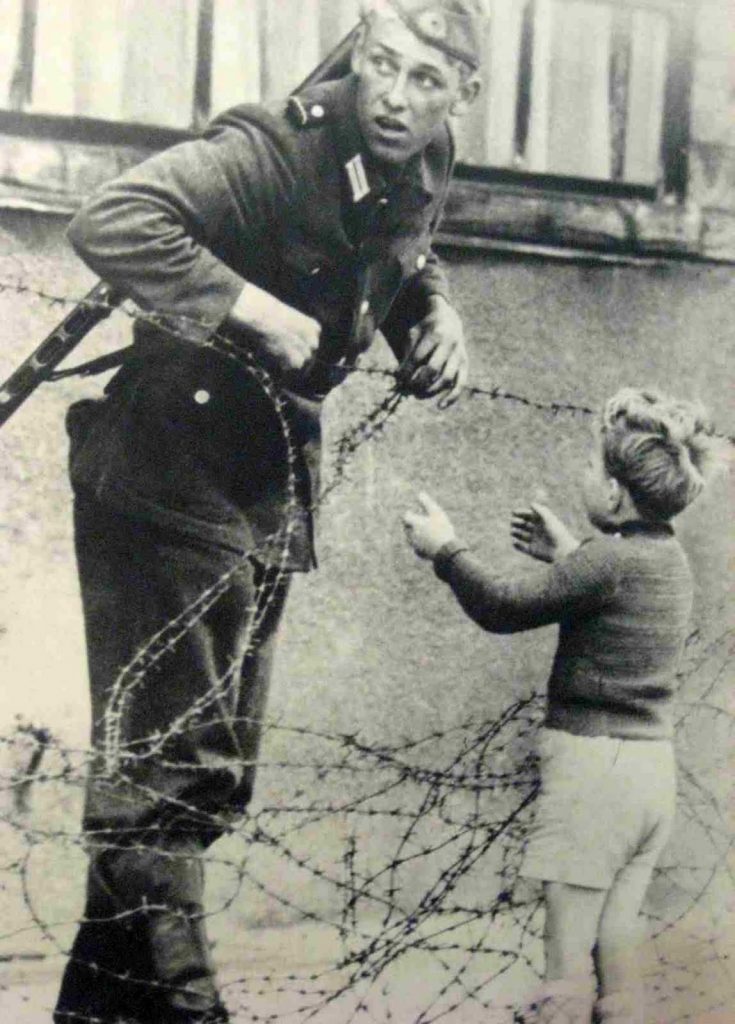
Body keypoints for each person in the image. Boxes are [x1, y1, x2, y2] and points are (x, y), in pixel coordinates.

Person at [53, 3, 484, 1022]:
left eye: (426, 80)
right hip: (169, 475)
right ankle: (196, 1009)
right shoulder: (276, 144)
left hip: (265, 487)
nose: (393, 94)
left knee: (201, 778)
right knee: (168, 775)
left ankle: (94, 1011)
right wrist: (252, 307)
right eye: (382, 64)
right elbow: (110, 219)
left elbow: (409, 250)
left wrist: (435, 314)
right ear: (360, 54)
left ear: (462, 95)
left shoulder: (426, 159)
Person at [403, 388, 725, 1024]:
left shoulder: (605, 561)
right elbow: (615, 593)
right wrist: (571, 556)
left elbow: (502, 607)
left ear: (613, 494)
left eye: (590, 468)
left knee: (565, 957)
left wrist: (446, 550)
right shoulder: (669, 561)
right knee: (618, 935)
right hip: (649, 773)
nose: (582, 474)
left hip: (592, 774)